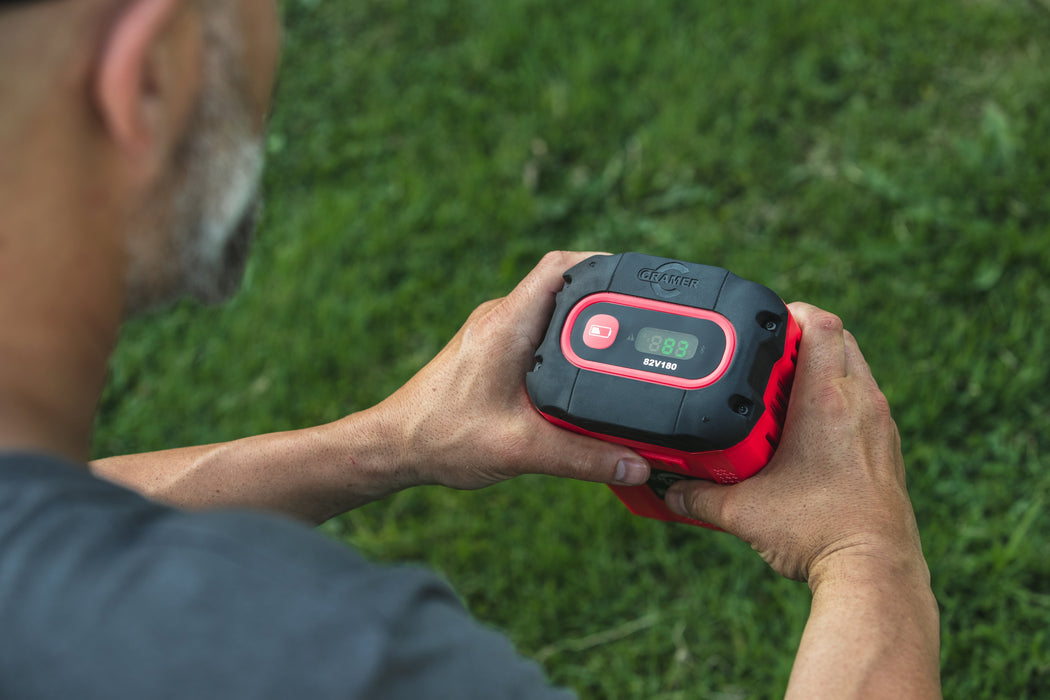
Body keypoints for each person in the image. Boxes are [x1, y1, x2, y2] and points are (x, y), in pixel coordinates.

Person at [0, 0, 941, 697]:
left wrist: (388, 442)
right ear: (149, 74)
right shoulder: (329, 662)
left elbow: (60, 520)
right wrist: (870, 559)